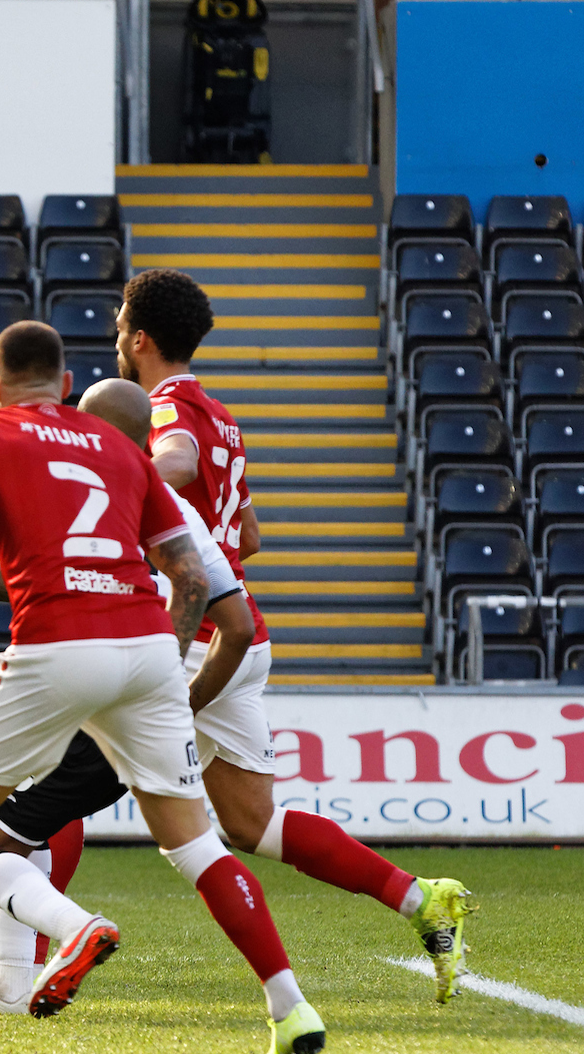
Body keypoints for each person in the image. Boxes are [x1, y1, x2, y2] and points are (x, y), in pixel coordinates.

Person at [0, 322, 326, 1054]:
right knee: (195, 843)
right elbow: (189, 575)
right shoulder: (123, 453)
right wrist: (164, 670)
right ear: (64, 385)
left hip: (58, 641)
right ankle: (291, 1006)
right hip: (149, 649)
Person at [119, 268, 476, 1000]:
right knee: (252, 825)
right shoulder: (223, 416)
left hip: (184, 633)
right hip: (239, 629)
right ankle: (420, 897)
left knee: (52, 778)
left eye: (121, 322)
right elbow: (249, 533)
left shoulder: (166, 410)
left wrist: (120, 486)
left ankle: (13, 968)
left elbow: (176, 461)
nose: (114, 334)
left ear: (140, 338)